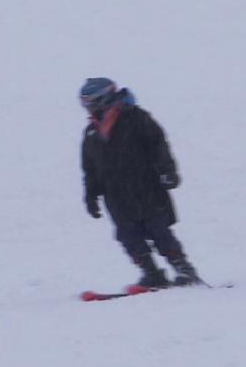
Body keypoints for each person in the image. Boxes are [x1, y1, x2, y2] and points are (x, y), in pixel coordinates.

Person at [79, 77, 202, 288]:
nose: (87, 108)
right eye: (84, 104)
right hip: (116, 196)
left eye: (89, 103)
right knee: (127, 236)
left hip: (146, 188)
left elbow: (158, 145)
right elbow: (90, 169)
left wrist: (168, 171)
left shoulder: (135, 118)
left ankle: (183, 269)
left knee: (158, 231)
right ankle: (152, 273)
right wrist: (91, 196)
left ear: (103, 99)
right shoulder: (91, 133)